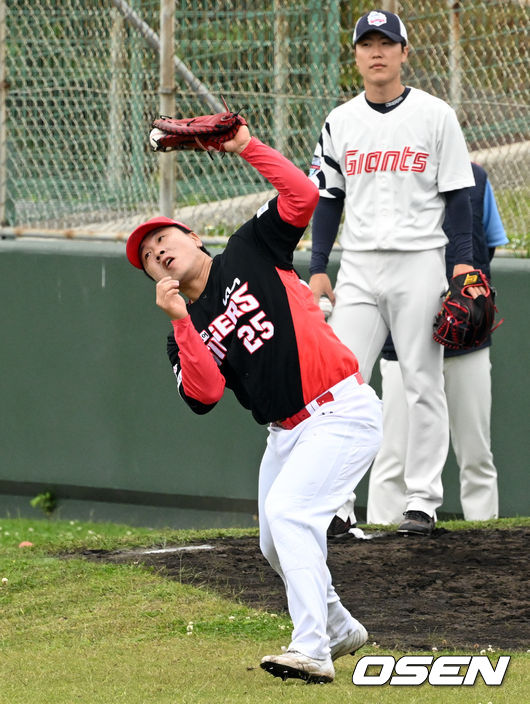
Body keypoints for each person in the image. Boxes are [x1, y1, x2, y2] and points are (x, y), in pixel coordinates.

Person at [126, 124, 382, 684]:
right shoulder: (180, 331)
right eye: (147, 255)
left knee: (291, 515)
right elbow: (205, 395)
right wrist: (181, 324)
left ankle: (312, 649)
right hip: (286, 433)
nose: (158, 251)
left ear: (194, 237)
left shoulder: (249, 247)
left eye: (164, 238)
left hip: (339, 409)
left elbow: (304, 196)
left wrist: (245, 146)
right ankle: (338, 628)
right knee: (273, 542)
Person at [308, 9, 479, 537]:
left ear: (405, 53)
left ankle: (422, 502)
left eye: (387, 43)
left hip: (419, 260)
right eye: (367, 44)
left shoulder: (435, 115)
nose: (376, 52)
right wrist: (317, 267)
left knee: (423, 382)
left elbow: (459, 196)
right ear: (355, 55)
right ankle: (337, 504)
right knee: (340, 384)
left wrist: (463, 264)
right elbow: (327, 199)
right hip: (358, 265)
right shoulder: (340, 120)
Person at [368, 162, 508, 524]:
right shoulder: (385, 176)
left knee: (476, 453)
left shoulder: (476, 178)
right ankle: (380, 546)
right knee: (393, 454)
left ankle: (484, 541)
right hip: (401, 341)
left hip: (465, 344)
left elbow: (487, 246)